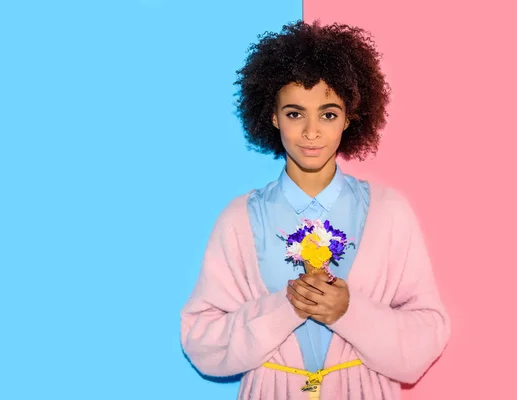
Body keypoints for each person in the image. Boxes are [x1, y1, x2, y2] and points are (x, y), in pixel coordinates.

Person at [180, 20, 450, 399]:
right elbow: (202, 341)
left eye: (327, 114)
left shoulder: (390, 213)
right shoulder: (239, 219)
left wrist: (349, 311)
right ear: (272, 116)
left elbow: (427, 335)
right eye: (294, 113)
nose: (311, 132)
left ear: (350, 116)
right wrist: (285, 307)